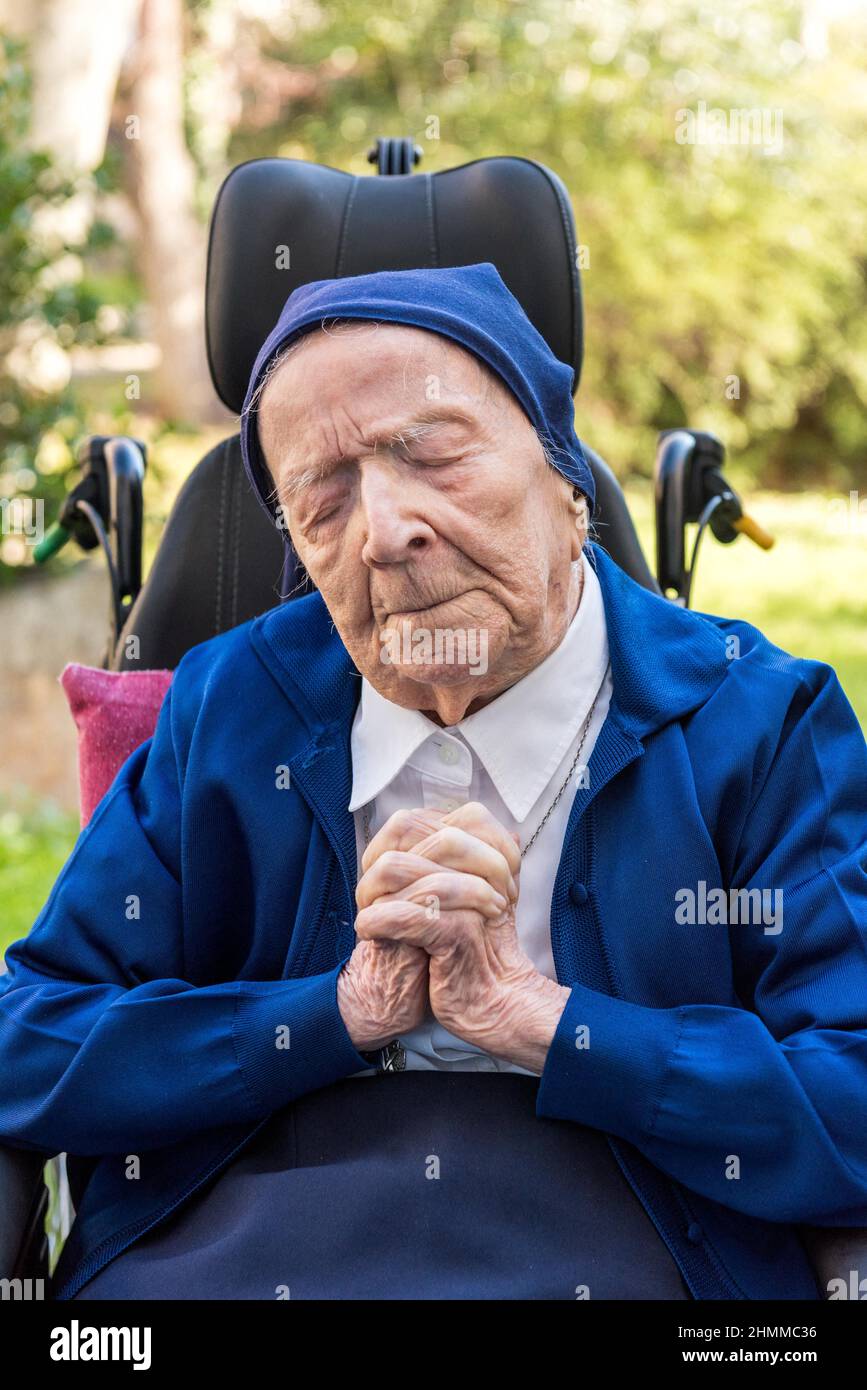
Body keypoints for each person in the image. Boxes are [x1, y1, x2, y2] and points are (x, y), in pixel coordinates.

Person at [1, 263, 865, 1301]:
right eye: (323, 501)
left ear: (566, 478)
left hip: (642, 1240)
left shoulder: (759, 720)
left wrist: (546, 1022)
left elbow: (850, 1094)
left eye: (433, 455)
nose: (384, 531)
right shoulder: (230, 704)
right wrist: (332, 1015)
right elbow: (30, 1036)